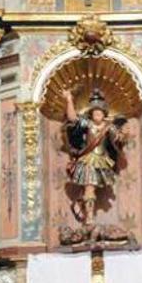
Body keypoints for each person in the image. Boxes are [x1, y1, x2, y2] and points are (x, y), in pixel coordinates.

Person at [60, 87, 125, 223]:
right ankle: (89, 216)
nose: (97, 114)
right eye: (95, 112)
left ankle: (83, 207)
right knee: (89, 187)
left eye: (100, 112)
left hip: (102, 160)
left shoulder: (109, 127)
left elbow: (118, 140)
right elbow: (72, 119)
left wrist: (122, 136)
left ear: (104, 114)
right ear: (91, 114)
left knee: (91, 188)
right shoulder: (87, 124)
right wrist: (69, 100)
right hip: (88, 160)